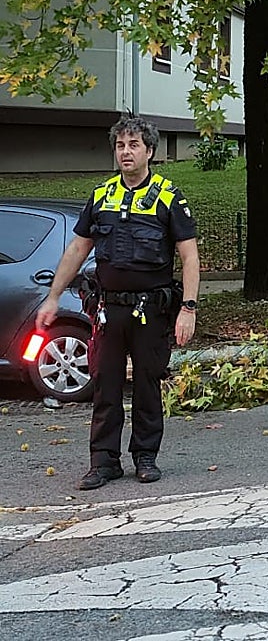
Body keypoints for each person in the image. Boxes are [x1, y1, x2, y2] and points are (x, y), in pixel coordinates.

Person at [36, 116, 199, 490]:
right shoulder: (101, 196)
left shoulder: (168, 197)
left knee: (147, 383)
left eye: (134, 145)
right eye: (121, 145)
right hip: (108, 309)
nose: (126, 152)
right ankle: (103, 462)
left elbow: (189, 257)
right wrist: (54, 296)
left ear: (150, 151)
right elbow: (79, 248)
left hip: (151, 310)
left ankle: (145, 457)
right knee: (104, 384)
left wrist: (188, 309)